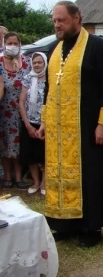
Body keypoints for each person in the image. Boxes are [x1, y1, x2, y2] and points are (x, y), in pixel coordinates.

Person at [37, 1, 103, 248]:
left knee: (90, 176)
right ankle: (65, 224)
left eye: (61, 20)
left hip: (87, 127)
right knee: (61, 175)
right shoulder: (54, 49)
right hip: (58, 131)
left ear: (77, 18)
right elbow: (48, 89)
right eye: (54, 20)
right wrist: (44, 121)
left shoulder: (97, 47)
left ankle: (90, 227)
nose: (57, 24)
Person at [0, 32, 31, 190]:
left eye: (15, 43)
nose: (12, 46)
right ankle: (6, 175)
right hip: (4, 109)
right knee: (5, 143)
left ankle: (18, 176)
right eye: (9, 43)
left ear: (20, 44)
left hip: (22, 110)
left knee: (19, 144)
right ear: (4, 44)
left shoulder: (26, 62)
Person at [19, 52, 47, 195]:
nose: (36, 65)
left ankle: (44, 183)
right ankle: (35, 181)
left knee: (45, 155)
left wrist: (44, 124)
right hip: (29, 123)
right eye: (34, 62)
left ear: (45, 63)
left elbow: (52, 102)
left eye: (39, 62)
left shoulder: (50, 79)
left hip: (46, 124)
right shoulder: (27, 78)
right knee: (30, 155)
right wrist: (28, 125)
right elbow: (22, 102)